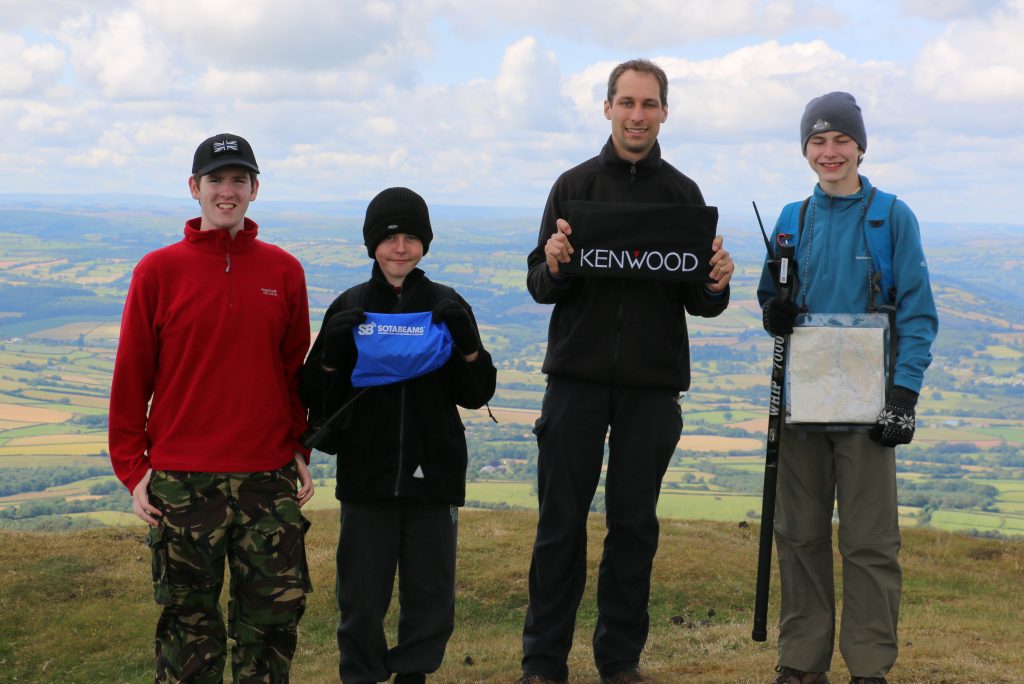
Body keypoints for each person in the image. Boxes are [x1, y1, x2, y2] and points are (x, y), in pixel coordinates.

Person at [519, 59, 734, 684]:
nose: (637, 115)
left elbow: (700, 299)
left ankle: (619, 662)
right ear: (608, 108)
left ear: (665, 112)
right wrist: (556, 264)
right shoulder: (572, 187)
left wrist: (718, 285)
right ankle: (542, 662)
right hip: (575, 384)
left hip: (652, 388)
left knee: (633, 528)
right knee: (560, 526)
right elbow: (540, 285)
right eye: (626, 103)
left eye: (649, 104)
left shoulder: (684, 196)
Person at [107, 133, 314, 683]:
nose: (228, 191)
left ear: (255, 190)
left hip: (266, 478)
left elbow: (297, 373)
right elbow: (131, 377)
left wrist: (298, 445)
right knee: (187, 629)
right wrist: (133, 469)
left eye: (239, 180)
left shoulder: (285, 271)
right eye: (217, 180)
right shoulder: (157, 271)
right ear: (194, 188)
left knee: (271, 626)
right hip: (181, 479)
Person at [757, 92, 938, 684]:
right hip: (801, 403)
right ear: (805, 149)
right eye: (817, 141)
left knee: (870, 544)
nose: (829, 151)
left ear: (861, 146)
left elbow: (917, 311)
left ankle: (869, 667)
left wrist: (904, 397)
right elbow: (771, 295)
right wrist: (772, 313)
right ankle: (800, 664)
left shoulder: (893, 216)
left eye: (840, 140)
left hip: (869, 408)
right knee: (799, 536)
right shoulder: (792, 218)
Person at [300, 187, 497, 684]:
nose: (401, 248)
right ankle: (362, 675)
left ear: (426, 244)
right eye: (390, 238)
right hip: (367, 476)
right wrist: (330, 356)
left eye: (412, 237)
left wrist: (469, 348)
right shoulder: (350, 304)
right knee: (361, 597)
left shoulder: (447, 304)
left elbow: (476, 394)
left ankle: (413, 675)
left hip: (435, 476)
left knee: (431, 595)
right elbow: (317, 398)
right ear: (372, 245)